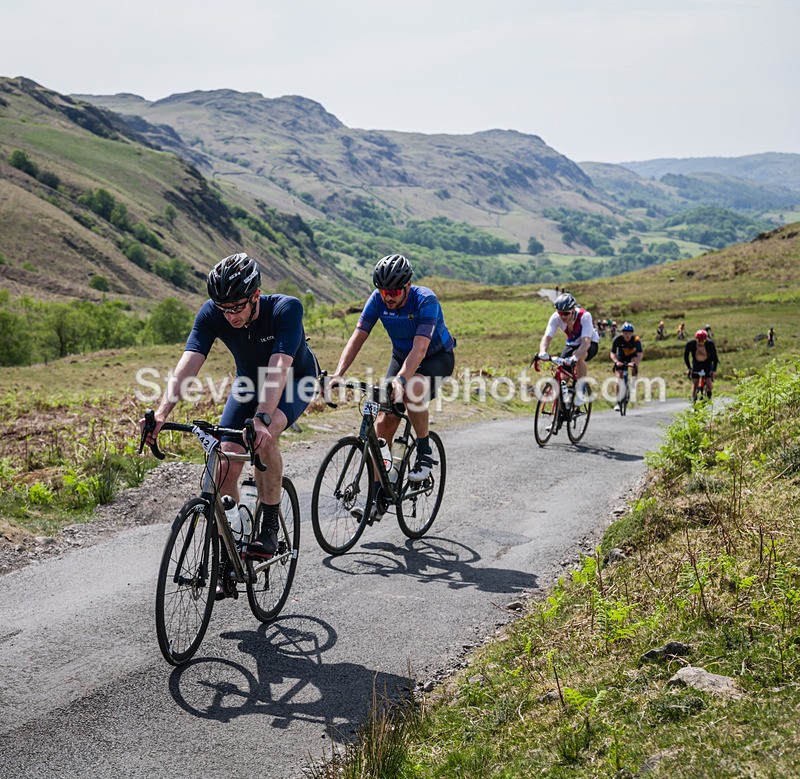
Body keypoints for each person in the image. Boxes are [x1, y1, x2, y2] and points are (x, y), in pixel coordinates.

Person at [139, 253, 319, 598]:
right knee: (224, 460)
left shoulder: (286, 309)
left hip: (295, 382)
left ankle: (268, 522)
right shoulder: (213, 313)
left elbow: (279, 368)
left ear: (256, 296)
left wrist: (264, 418)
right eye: (224, 308)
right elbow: (188, 363)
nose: (230, 316)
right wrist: (162, 412)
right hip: (248, 382)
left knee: (263, 439)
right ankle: (228, 551)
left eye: (237, 307)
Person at [329, 254, 456, 521]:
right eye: (384, 291)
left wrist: (400, 380)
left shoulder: (425, 300)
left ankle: (424, 452)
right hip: (401, 356)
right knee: (384, 421)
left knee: (411, 392)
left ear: (408, 285)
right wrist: (339, 373)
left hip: (435, 358)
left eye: (394, 291)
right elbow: (358, 337)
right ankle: (378, 497)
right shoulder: (377, 300)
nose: (388, 297)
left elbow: (420, 349)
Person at [537, 292, 600, 405]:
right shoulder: (556, 317)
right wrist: (542, 351)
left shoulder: (585, 316)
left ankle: (581, 390)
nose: (563, 316)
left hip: (590, 343)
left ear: (573, 310)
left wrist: (575, 357)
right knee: (562, 377)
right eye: (560, 313)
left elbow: (586, 342)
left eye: (566, 313)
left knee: (580, 357)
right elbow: (547, 337)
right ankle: (560, 417)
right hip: (572, 343)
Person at [610, 321, 643, 410]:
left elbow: (639, 353)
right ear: (622, 333)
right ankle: (617, 402)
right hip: (621, 358)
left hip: (632, 358)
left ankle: (632, 385)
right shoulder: (617, 339)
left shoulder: (636, 339)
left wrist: (636, 363)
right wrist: (616, 361)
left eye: (629, 333)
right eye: (625, 333)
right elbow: (612, 353)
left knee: (634, 366)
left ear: (632, 333)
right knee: (619, 378)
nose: (627, 335)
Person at [684, 329, 719, 403]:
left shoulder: (710, 344)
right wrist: (689, 368)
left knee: (709, 384)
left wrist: (713, 370)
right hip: (696, 364)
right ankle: (694, 400)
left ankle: (709, 394)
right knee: (695, 383)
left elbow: (715, 358)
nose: (701, 343)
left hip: (707, 364)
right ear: (696, 339)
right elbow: (686, 356)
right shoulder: (690, 344)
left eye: (703, 341)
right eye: (699, 341)